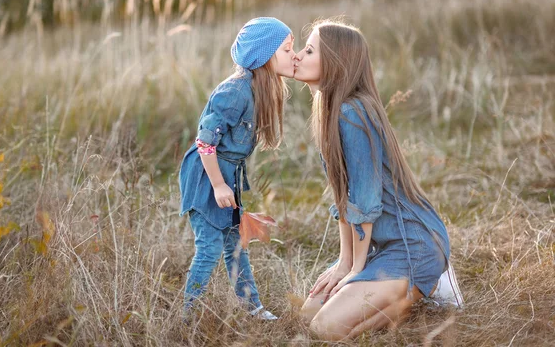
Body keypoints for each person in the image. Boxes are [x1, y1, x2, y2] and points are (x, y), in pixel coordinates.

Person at [293, 19, 463, 340]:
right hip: (379, 245)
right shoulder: (330, 112)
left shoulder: (351, 112)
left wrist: (356, 271)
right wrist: (345, 263)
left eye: (310, 50)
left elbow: (366, 203)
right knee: (308, 314)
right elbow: (344, 198)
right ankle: (398, 290)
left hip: (413, 245)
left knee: (325, 328)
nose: (299, 56)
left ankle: (412, 296)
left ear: (335, 61)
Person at [179, 17, 295, 320]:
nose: (293, 56)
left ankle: (252, 307)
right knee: (210, 247)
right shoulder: (235, 91)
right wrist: (218, 185)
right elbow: (205, 143)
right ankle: (186, 315)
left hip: (226, 174)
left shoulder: (261, 90)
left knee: (236, 244)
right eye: (286, 49)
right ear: (264, 56)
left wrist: (226, 183)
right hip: (207, 175)